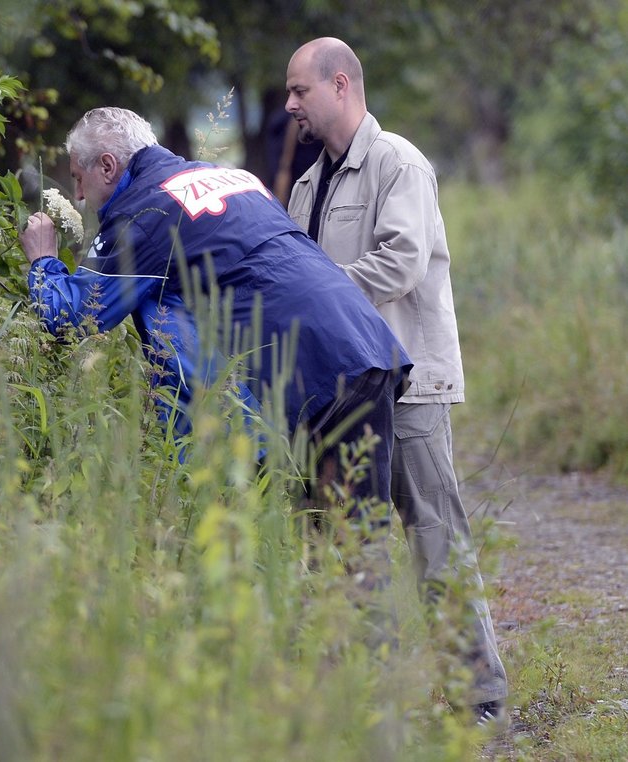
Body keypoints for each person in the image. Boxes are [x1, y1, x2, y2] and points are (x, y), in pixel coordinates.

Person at [19, 106, 412, 520]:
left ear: (108, 166)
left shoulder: (145, 212)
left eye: (79, 180)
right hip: (367, 347)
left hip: (307, 374)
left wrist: (43, 260)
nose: (79, 196)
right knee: (351, 543)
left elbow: (74, 317)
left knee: (323, 541)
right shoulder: (233, 177)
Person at [283, 37, 509, 726]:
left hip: (406, 388)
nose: (289, 103)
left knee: (435, 535)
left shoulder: (398, 164)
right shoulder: (302, 184)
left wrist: (315, 290)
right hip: (339, 395)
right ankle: (360, 698)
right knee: (344, 542)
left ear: (341, 84)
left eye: (300, 90)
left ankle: (480, 698)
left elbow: (402, 263)